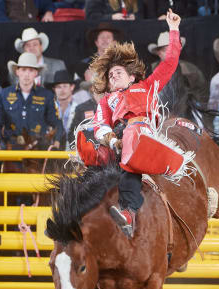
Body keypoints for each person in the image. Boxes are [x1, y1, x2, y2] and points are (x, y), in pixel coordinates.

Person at [89, 9, 182, 238]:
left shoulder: (147, 86)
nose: (113, 76)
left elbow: (170, 61)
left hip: (144, 132)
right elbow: (100, 125)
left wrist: (173, 29)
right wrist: (112, 140)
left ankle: (129, 212)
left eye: (118, 72)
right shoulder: (106, 101)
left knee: (132, 142)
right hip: (119, 139)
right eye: (110, 75)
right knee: (87, 148)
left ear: (132, 77)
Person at [0, 53, 63, 151]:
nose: (27, 74)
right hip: (11, 148)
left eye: (31, 70)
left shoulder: (46, 95)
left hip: (37, 148)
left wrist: (57, 141)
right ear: (17, 72)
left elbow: (56, 122)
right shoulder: (5, 94)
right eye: (23, 70)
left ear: (36, 73)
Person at [49, 70, 78, 143]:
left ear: (72, 87)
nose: (62, 90)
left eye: (65, 86)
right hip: (51, 150)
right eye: (58, 87)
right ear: (54, 89)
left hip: (73, 150)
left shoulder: (80, 108)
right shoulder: (48, 108)